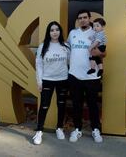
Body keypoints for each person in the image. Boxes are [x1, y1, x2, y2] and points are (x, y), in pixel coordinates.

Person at [67, 9, 104, 143]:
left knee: (93, 104)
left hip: (92, 77)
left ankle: (95, 129)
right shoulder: (72, 33)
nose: (82, 20)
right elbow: (67, 50)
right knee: (76, 104)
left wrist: (98, 54)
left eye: (84, 17)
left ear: (89, 18)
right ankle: (77, 129)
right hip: (74, 75)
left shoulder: (96, 33)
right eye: (80, 18)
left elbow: (104, 53)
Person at [32, 21, 70, 145]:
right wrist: (39, 81)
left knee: (61, 105)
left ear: (60, 32)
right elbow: (38, 64)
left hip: (63, 80)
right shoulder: (43, 46)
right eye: (52, 30)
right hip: (47, 80)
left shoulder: (65, 46)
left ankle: (59, 128)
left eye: (57, 30)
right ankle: (39, 131)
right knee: (44, 106)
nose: (55, 32)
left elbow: (70, 62)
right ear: (49, 32)